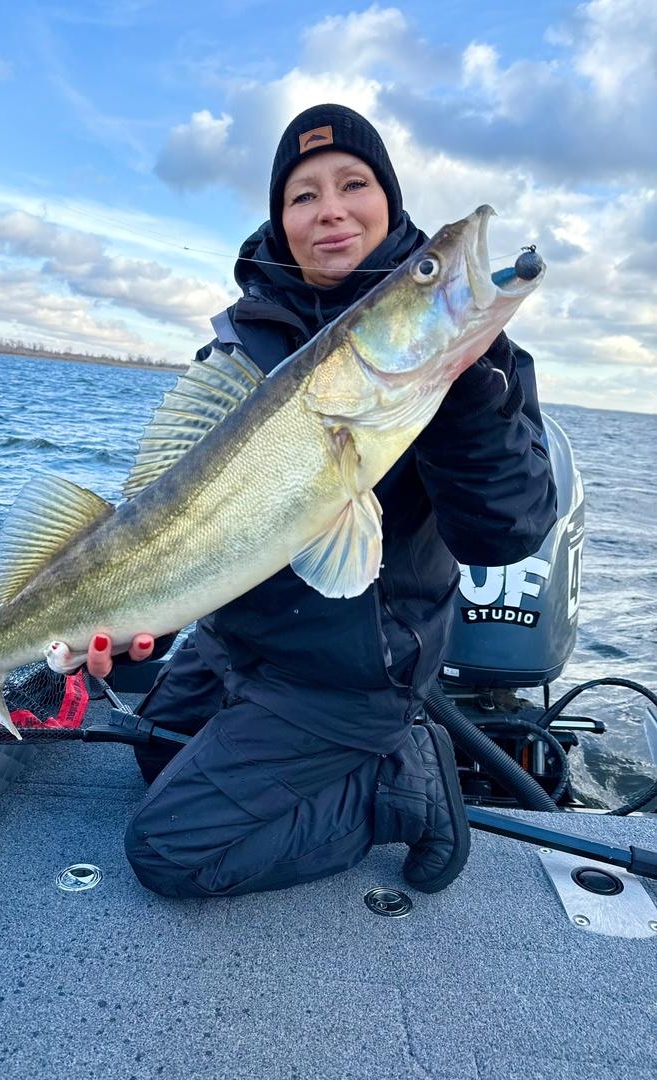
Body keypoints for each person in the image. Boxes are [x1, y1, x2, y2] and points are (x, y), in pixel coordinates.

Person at [81, 104, 557, 898]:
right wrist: (142, 617)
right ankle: (276, 737)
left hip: (352, 672)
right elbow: (185, 519)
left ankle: (402, 783)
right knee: (154, 750)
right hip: (241, 643)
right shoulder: (239, 345)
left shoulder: (478, 362)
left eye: (353, 184)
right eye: (302, 195)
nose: (329, 209)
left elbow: (506, 531)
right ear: (281, 220)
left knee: (169, 852)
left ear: (389, 202)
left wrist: (468, 388)